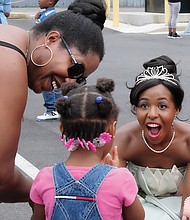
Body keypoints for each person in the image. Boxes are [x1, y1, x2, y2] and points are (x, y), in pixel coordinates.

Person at [0, 0, 107, 205]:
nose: (70, 83)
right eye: (75, 69)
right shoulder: (9, 63)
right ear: (52, 38)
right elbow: (2, 179)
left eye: (80, 79)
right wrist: (44, 195)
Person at [30, 78, 145, 220]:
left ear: (62, 128)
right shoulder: (121, 179)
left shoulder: (45, 177)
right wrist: (115, 172)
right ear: (112, 129)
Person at [114, 55, 190, 220]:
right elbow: (116, 197)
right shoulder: (124, 140)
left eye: (162, 106)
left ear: (176, 109)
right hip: (136, 209)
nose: (152, 114)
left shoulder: (188, 141)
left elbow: (187, 206)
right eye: (144, 106)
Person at [35, 0, 62, 121]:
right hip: (54, 54)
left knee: (47, 82)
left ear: (50, 1)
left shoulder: (48, 17)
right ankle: (59, 108)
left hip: (47, 54)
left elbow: (38, 34)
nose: (38, 0)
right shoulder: (51, 15)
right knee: (56, 81)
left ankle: (51, 109)